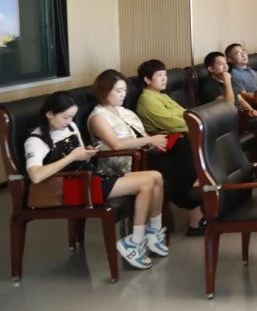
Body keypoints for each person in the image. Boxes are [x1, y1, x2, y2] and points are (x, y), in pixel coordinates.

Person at [26, 90, 168, 269]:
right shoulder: (35, 140)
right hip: (72, 187)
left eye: (72, 117)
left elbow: (79, 155)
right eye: (65, 117)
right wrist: (72, 157)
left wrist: (86, 153)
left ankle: (154, 232)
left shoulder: (70, 127)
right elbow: (36, 176)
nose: (69, 122)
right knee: (146, 183)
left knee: (156, 176)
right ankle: (134, 242)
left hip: (90, 178)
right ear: (49, 114)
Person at [134, 59, 205, 234]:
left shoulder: (163, 96)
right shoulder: (147, 100)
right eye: (159, 75)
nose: (164, 78)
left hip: (178, 140)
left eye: (165, 74)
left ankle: (206, 201)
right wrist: (198, 125)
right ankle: (196, 213)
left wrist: (197, 123)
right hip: (162, 148)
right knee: (189, 146)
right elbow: (174, 124)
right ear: (147, 79)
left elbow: (185, 115)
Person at [224, 43, 257, 118]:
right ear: (230, 60)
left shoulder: (249, 69)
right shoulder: (234, 75)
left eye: (243, 51)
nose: (243, 54)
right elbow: (243, 95)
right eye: (238, 53)